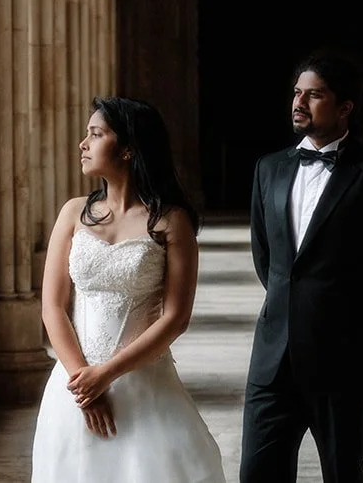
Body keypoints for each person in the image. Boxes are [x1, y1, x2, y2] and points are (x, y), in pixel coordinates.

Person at [240, 54, 363, 483]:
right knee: (257, 474)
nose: (299, 102)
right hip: (273, 359)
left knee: (343, 474)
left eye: (315, 94)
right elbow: (268, 258)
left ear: (345, 107)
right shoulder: (269, 169)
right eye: (297, 92)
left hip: (342, 360)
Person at [30, 97, 225, 483]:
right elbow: (52, 306)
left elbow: (175, 318)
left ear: (129, 149)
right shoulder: (73, 213)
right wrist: (84, 382)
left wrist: (107, 375)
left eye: (96, 134)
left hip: (141, 381)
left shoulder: (171, 221)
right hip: (73, 384)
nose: (83, 144)